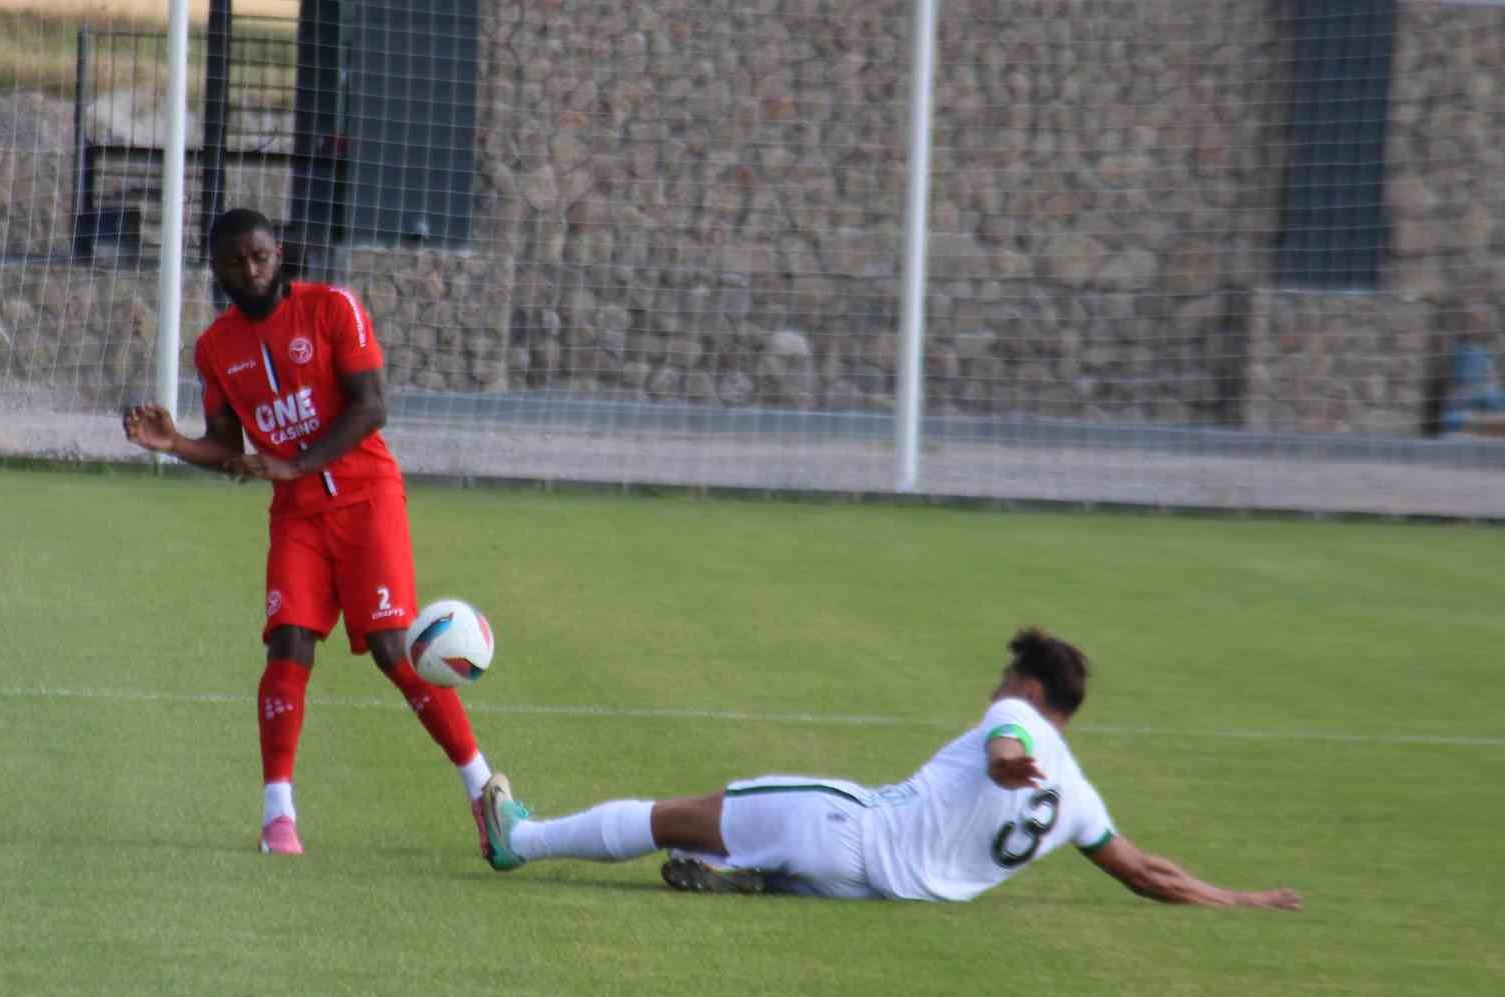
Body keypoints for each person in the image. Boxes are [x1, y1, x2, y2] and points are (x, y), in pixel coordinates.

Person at [123, 207, 498, 857]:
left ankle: (483, 788)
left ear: (280, 254)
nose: (251, 268)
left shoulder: (333, 309)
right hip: (296, 513)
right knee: (288, 644)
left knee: (392, 648)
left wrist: (293, 462)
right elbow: (225, 445)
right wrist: (177, 444)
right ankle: (278, 817)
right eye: (237, 260)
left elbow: (372, 405)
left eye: (261, 255)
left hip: (366, 497)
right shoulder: (215, 348)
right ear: (217, 267)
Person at [479, 628, 1301, 910]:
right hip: (878, 890)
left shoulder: (1014, 718)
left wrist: (1008, 761)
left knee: (678, 810)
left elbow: (1005, 749)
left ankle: (524, 838)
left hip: (848, 823)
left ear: (1028, 686)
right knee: (760, 848)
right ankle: (745, 876)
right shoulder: (1082, 800)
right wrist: (1237, 897)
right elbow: (1144, 874)